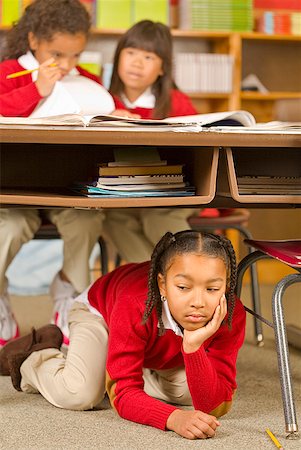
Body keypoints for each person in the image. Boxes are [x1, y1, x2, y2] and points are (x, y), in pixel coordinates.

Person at [0, 231, 246, 440]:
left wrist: (193, 348)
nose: (198, 302)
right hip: (100, 315)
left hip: (151, 344)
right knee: (81, 393)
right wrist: (172, 418)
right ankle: (35, 356)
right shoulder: (134, 303)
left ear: (225, 286)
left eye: (212, 289)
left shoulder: (231, 312)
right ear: (162, 284)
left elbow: (214, 405)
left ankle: (112, 367)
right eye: (183, 287)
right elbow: (125, 392)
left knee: (187, 392)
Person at [0, 0, 125, 346]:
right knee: (8, 227)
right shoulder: (10, 72)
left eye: (76, 56)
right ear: (34, 40)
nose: (68, 65)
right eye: (58, 54)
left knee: (85, 222)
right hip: (14, 190)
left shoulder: (85, 79)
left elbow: (106, 110)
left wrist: (123, 117)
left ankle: (70, 292)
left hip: (65, 187)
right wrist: (36, 90)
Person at [103, 20, 200, 263]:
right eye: (131, 53)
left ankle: (183, 278)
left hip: (173, 192)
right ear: (117, 59)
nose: (136, 63)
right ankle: (156, 282)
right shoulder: (103, 101)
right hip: (123, 195)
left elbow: (199, 150)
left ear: (162, 68)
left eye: (148, 57)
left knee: (157, 217)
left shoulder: (176, 103)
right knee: (113, 219)